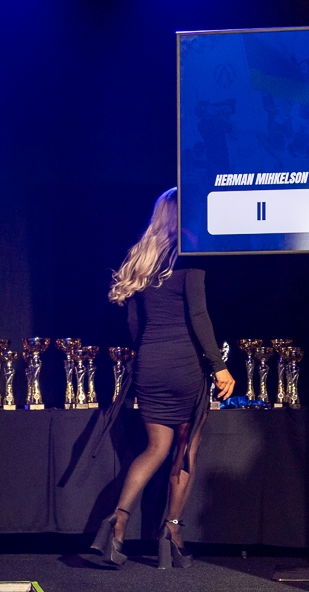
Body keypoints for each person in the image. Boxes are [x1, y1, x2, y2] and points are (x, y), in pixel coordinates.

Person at [91, 188, 235, 569]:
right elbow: (198, 316)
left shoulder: (142, 259)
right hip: (185, 367)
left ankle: (116, 527)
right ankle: (171, 535)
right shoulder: (188, 257)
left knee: (154, 449)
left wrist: (150, 355)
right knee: (183, 453)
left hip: (150, 364)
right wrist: (218, 366)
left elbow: (134, 325)